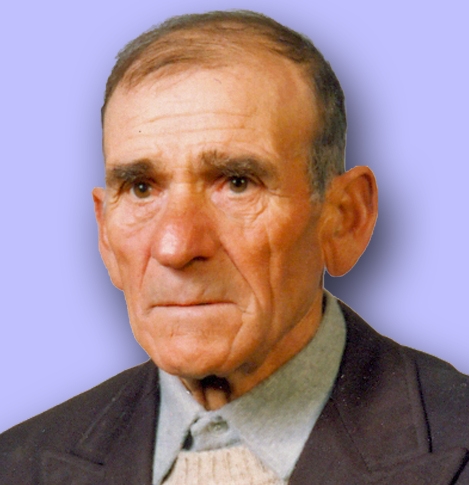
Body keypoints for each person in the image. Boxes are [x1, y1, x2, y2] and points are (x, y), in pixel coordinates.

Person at [1, 10, 468, 485]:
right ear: (105, 233)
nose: (175, 246)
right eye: (141, 188)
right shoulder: (17, 466)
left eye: (238, 182)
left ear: (345, 220)